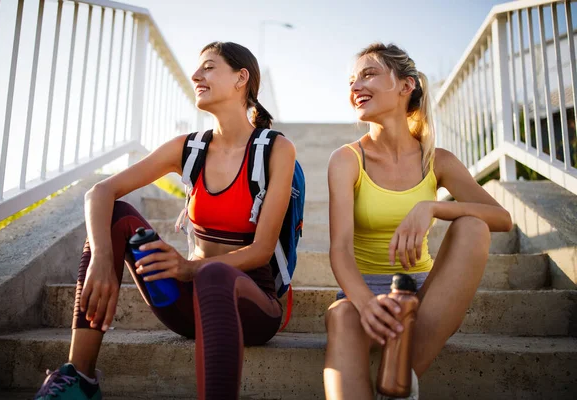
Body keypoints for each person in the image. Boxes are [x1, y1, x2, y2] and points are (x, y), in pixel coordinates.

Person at [34, 41, 296, 400]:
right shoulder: (188, 148)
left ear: (241, 78)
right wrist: (101, 258)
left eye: (208, 67)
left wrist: (190, 268)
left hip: (251, 307)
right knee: (115, 216)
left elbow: (262, 251)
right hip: (188, 304)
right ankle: (80, 377)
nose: (195, 75)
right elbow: (100, 192)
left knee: (214, 273)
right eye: (197, 69)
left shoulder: (275, 149)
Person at [323, 42, 512, 400]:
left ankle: (397, 381)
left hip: (423, 297)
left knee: (472, 226)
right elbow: (340, 251)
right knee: (342, 318)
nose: (355, 87)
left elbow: (502, 219)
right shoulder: (347, 160)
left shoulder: (437, 160)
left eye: (369, 74)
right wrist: (366, 305)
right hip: (359, 291)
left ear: (405, 85)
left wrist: (434, 208)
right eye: (351, 81)